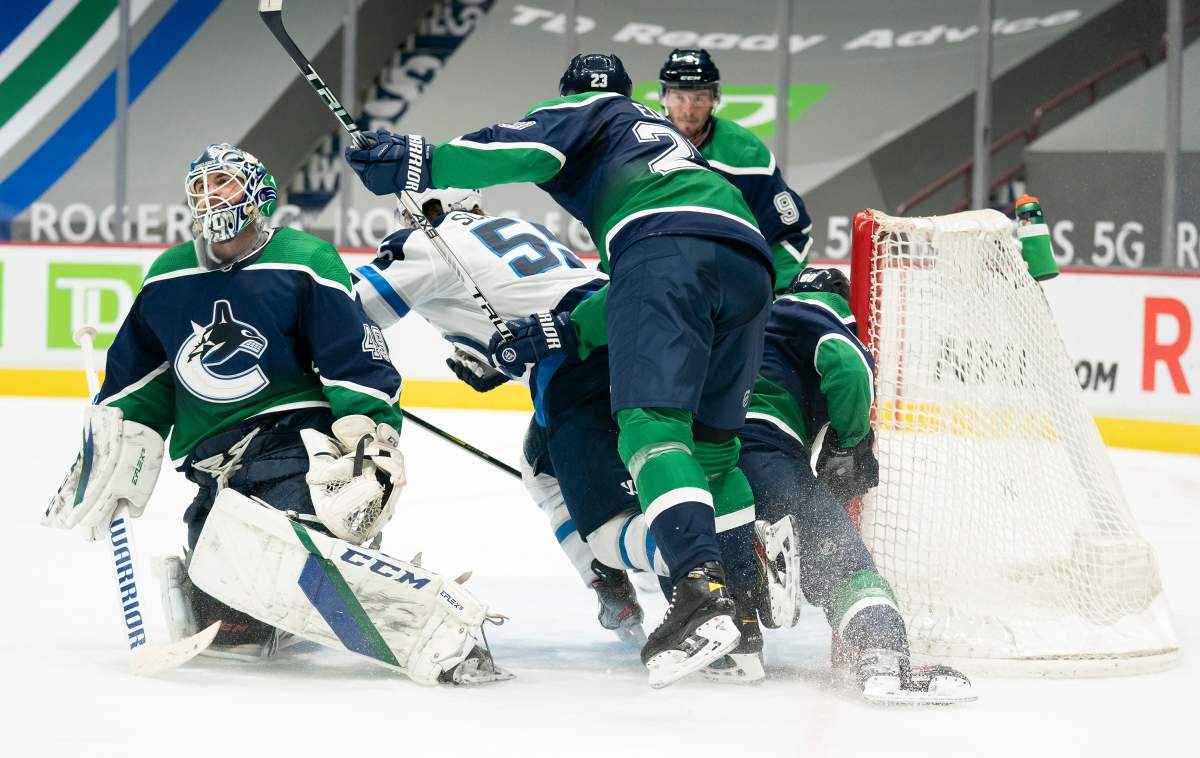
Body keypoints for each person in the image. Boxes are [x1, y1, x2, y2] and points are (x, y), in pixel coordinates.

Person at [344, 53, 775, 688]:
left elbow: (349, 312)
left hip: (605, 332)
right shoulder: (560, 202)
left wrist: (415, 158)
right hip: (739, 261)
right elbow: (604, 292)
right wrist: (539, 336)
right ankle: (742, 622)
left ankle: (695, 587)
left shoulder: (436, 234)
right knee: (706, 453)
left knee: (643, 449)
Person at [42, 145, 504, 685]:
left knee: (278, 543)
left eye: (225, 184)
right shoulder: (168, 274)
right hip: (214, 459)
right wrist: (117, 435)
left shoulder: (304, 258)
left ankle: (432, 620)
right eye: (202, 187)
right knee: (227, 611)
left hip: (292, 440)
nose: (212, 196)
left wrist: (369, 432)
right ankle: (281, 609)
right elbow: (141, 377)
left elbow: (350, 355)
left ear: (258, 192)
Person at [350, 187, 645, 645]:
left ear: (426, 213)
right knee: (542, 470)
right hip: (626, 327)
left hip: (577, 364)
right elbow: (532, 298)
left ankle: (699, 567)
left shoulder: (429, 241)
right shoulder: (522, 228)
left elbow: (348, 308)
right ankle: (612, 584)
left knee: (610, 525)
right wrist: (492, 360)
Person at [658, 48, 814, 293]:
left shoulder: (745, 155)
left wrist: (783, 293)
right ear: (664, 97)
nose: (688, 110)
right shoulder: (643, 148)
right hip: (659, 277)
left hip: (729, 287)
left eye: (698, 98)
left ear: (713, 99)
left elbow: (787, 233)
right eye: (679, 97)